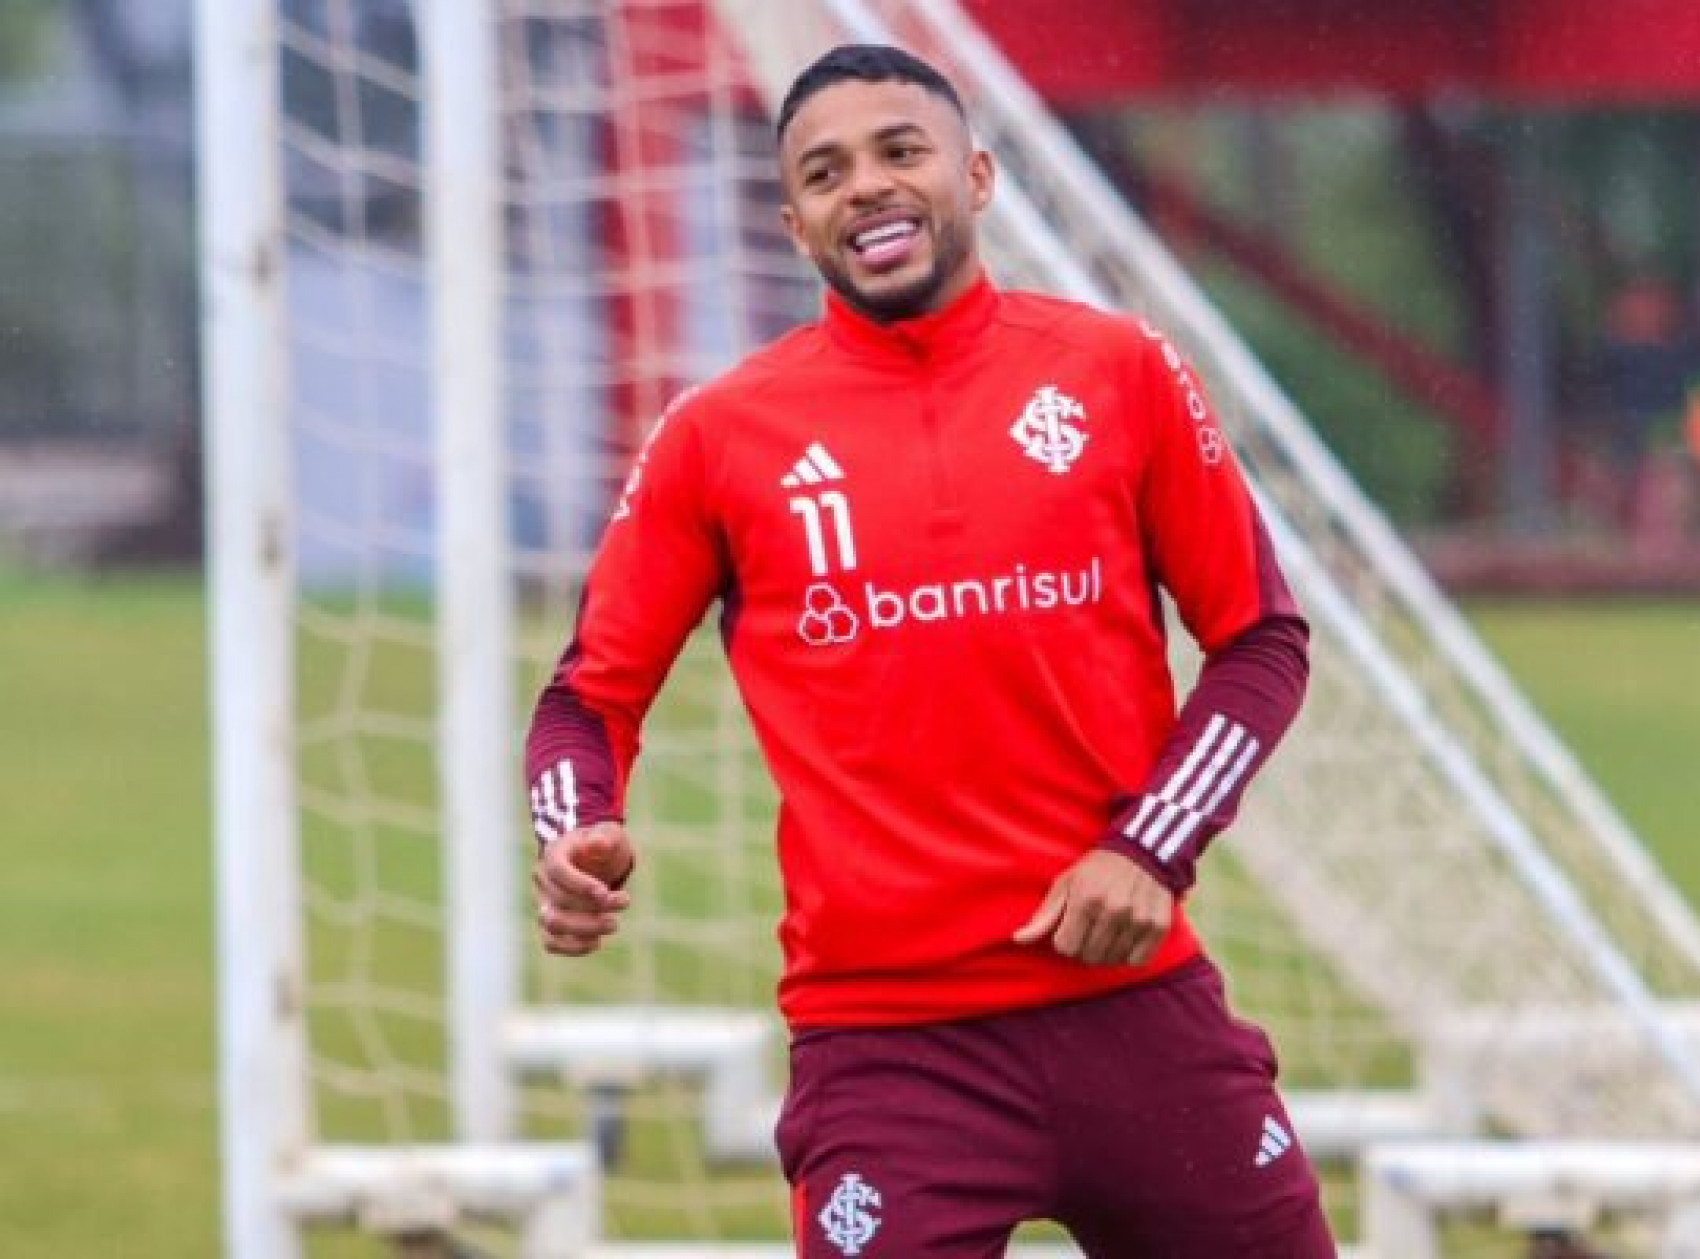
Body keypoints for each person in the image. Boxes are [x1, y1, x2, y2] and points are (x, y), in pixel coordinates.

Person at [525, 44, 1333, 1258]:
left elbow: (1260, 640)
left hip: (1135, 1005)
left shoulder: (1117, 371)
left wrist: (1150, 847)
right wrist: (574, 824)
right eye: (824, 172)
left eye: (900, 151)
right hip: (887, 1050)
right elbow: (586, 698)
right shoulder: (718, 435)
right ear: (794, 224)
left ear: (979, 175)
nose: (866, 185)